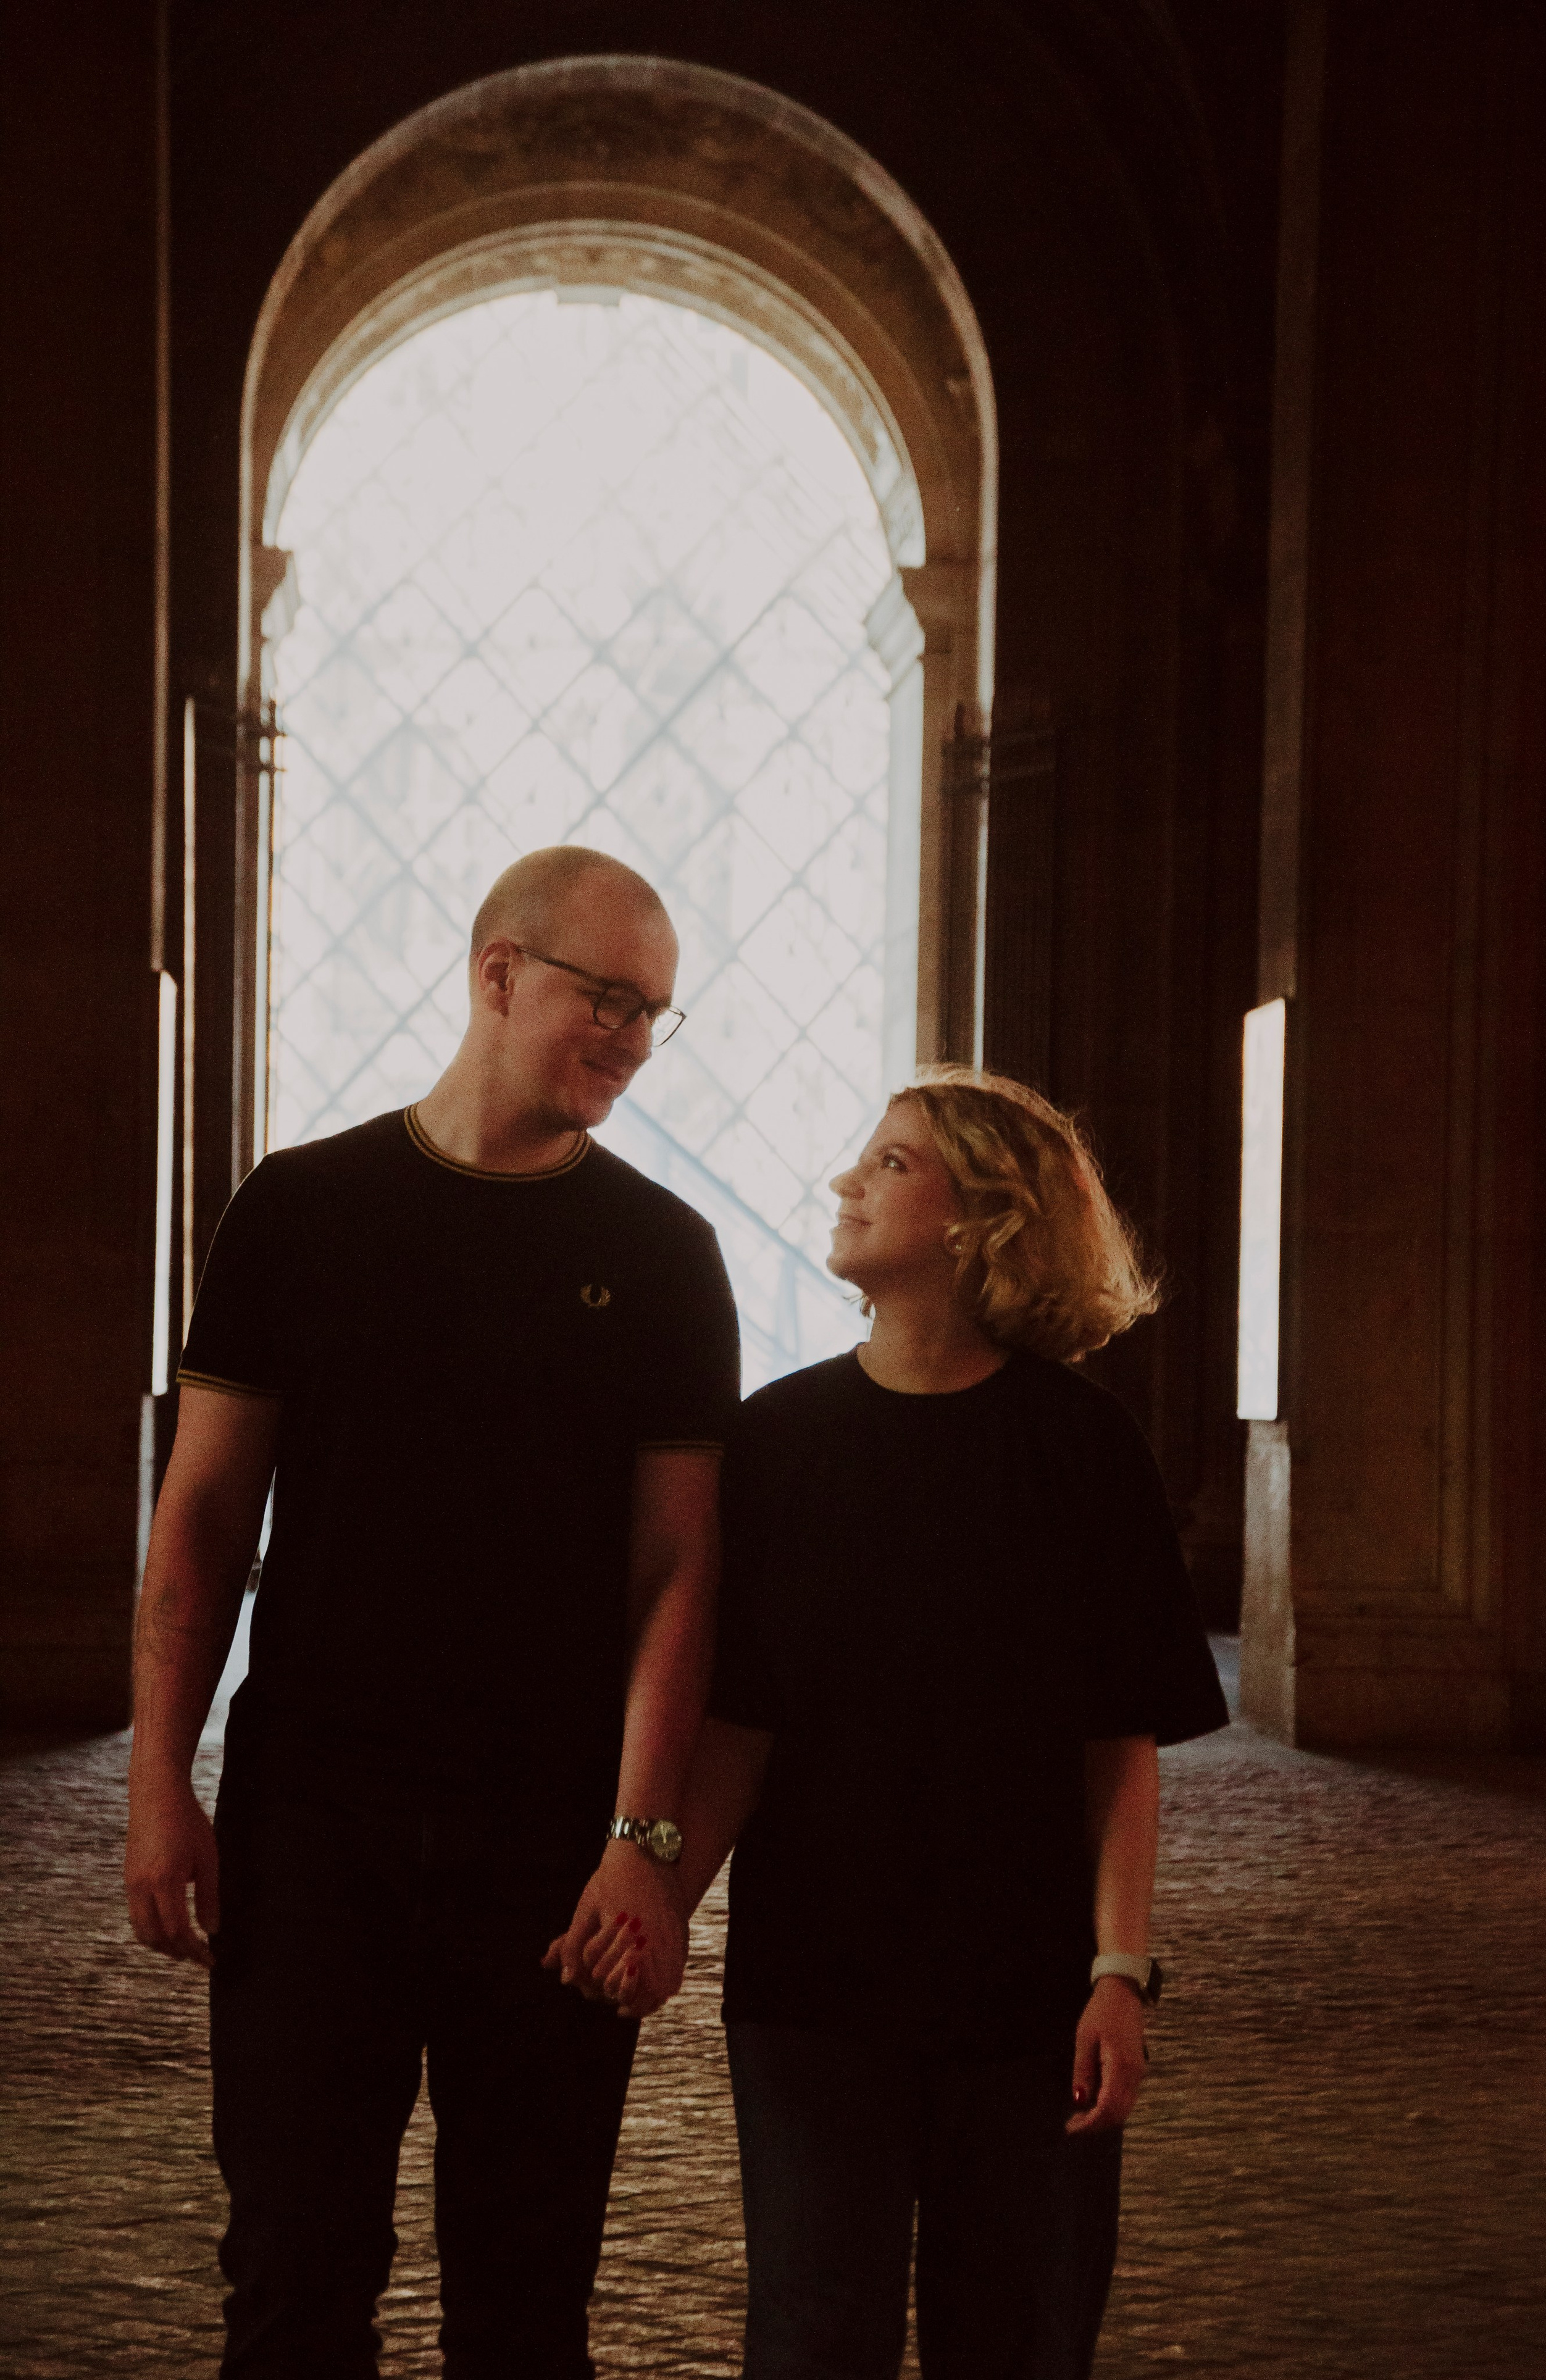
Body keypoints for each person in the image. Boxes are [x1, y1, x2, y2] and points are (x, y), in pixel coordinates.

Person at [123, 846, 739, 2379]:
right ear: (496, 973)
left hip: (545, 1844)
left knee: (528, 2304)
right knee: (290, 2277)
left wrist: (641, 1839)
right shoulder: (298, 1210)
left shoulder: (666, 1256)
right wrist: (157, 1787)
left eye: (655, 1012)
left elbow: (680, 1575)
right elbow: (200, 1519)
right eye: (605, 996)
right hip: (310, 1826)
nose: (629, 1038)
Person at [603, 1065, 1229, 2379]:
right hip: (812, 1994)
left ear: (981, 1217)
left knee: (1013, 2344)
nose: (846, 1179)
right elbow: (742, 1727)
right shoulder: (772, 1442)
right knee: (811, 2343)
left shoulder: (1082, 1450)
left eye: (890, 1162)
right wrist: (655, 1892)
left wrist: (1120, 1971)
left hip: (1026, 1999)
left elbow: (1116, 1742)